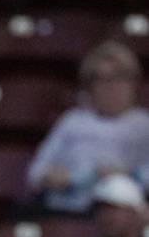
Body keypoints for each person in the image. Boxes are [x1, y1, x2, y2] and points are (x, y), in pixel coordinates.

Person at [27, 41, 149, 213]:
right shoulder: (73, 121)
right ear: (90, 86)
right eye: (102, 80)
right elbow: (36, 173)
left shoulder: (143, 125)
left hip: (123, 210)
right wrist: (59, 178)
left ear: (133, 84)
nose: (111, 87)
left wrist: (127, 176)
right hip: (70, 208)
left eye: (119, 78)